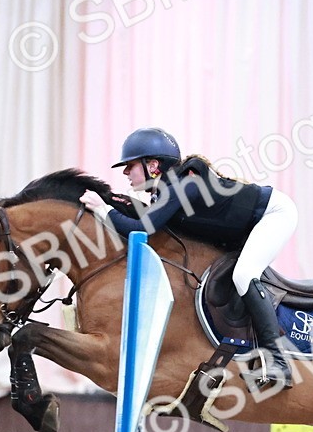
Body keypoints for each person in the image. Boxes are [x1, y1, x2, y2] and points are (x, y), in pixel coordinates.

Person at [80, 127, 298, 389]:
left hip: (274, 214)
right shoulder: (169, 188)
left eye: (130, 165)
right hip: (249, 224)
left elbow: (142, 230)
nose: (126, 172)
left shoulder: (183, 186)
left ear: (153, 165)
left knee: (243, 274)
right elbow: (146, 218)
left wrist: (102, 210)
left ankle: (279, 361)